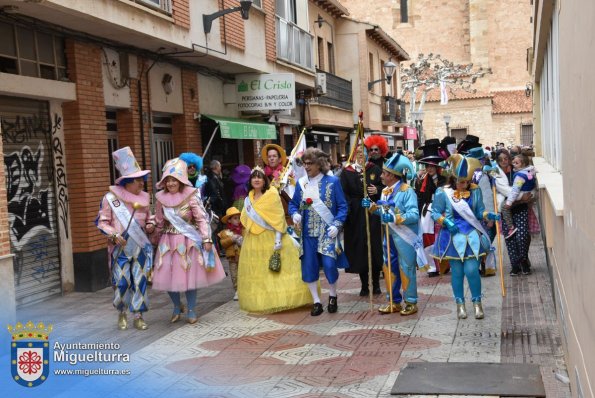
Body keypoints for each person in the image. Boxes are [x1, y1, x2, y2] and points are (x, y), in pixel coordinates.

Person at [152, 158, 226, 324]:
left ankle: (192, 309)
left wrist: (206, 238)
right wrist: (151, 227)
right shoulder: (160, 199)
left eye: (174, 180)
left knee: (189, 277)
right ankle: (177, 306)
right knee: (168, 277)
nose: (171, 183)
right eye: (168, 180)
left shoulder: (191, 196)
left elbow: (201, 219)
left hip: (188, 242)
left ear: (181, 181)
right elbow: (158, 221)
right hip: (167, 242)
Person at [431, 154, 500, 320]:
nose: (465, 185)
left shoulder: (475, 190)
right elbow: (434, 213)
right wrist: (446, 221)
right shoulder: (443, 193)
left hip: (472, 234)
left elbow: (478, 212)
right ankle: (460, 305)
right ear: (454, 179)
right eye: (462, 182)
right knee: (457, 273)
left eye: (467, 181)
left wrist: (488, 215)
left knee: (471, 270)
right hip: (452, 235)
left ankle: (477, 303)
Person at [96, 147, 155, 330]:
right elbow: (102, 221)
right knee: (122, 283)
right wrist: (114, 235)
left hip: (140, 247)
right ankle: (121, 312)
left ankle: (138, 315)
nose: (142, 185)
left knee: (140, 282)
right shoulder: (110, 198)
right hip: (120, 248)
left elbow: (149, 217)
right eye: (139, 181)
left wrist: (151, 225)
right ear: (128, 182)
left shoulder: (144, 198)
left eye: (142, 181)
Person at [238, 167, 311, 313]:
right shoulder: (248, 198)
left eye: (259, 177)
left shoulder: (272, 195)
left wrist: (278, 239)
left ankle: (283, 299)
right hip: (253, 239)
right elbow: (246, 218)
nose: (257, 180)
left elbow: (278, 218)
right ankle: (263, 302)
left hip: (272, 237)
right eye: (254, 177)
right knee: (259, 271)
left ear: (264, 180)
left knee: (277, 270)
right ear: (250, 181)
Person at [289, 148, 348, 316]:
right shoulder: (301, 183)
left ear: (319, 164)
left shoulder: (333, 182)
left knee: (329, 266)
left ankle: (332, 295)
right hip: (307, 232)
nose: (306, 167)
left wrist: (337, 225)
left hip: (327, 231)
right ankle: (316, 301)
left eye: (310, 163)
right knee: (309, 267)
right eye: (305, 163)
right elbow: (294, 204)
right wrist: (294, 214)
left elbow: (343, 206)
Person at [362, 153, 422, 316]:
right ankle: (393, 300)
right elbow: (384, 211)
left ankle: (410, 301)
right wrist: (373, 207)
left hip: (404, 237)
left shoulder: (407, 191)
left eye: (384, 173)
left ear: (392, 176)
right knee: (389, 267)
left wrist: (395, 217)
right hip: (388, 235)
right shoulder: (386, 192)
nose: (381, 176)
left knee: (406, 267)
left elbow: (414, 214)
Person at [340, 145, 383, 296]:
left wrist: (377, 190)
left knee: (374, 246)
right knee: (360, 249)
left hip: (373, 213)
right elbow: (343, 194)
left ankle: (376, 283)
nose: (361, 155)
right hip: (356, 215)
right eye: (358, 152)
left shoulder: (375, 169)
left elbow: (385, 187)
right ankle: (364, 285)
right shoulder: (347, 172)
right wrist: (350, 209)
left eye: (363, 152)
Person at [494, 149, 533, 275]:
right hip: (506, 210)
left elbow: (530, 187)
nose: (504, 161)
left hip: (520, 208)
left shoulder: (519, 169)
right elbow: (504, 190)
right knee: (510, 238)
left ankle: (523, 260)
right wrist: (521, 198)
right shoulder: (496, 173)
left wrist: (523, 198)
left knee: (523, 236)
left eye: (506, 158)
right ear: (497, 162)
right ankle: (515, 265)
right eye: (501, 160)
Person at [414, 139, 448, 277]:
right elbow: (420, 198)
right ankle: (432, 266)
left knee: (443, 237)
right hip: (427, 212)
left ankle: (445, 264)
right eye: (427, 166)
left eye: (432, 166)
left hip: (442, 211)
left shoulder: (444, 179)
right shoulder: (421, 181)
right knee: (428, 238)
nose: (430, 168)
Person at [501, 154, 537, 239]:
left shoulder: (519, 176)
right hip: (531, 194)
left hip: (523, 194)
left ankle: (511, 227)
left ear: (523, 164)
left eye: (516, 163)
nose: (514, 164)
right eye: (513, 162)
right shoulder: (530, 171)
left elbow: (515, 190)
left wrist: (509, 203)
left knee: (503, 207)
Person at [218, 207, 243, 301]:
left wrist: (241, 239)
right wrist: (232, 239)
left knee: (243, 273)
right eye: (235, 218)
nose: (238, 220)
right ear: (229, 220)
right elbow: (223, 243)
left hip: (242, 256)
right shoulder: (225, 232)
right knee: (234, 274)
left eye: (239, 218)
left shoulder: (243, 230)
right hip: (232, 258)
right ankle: (237, 290)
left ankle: (244, 290)